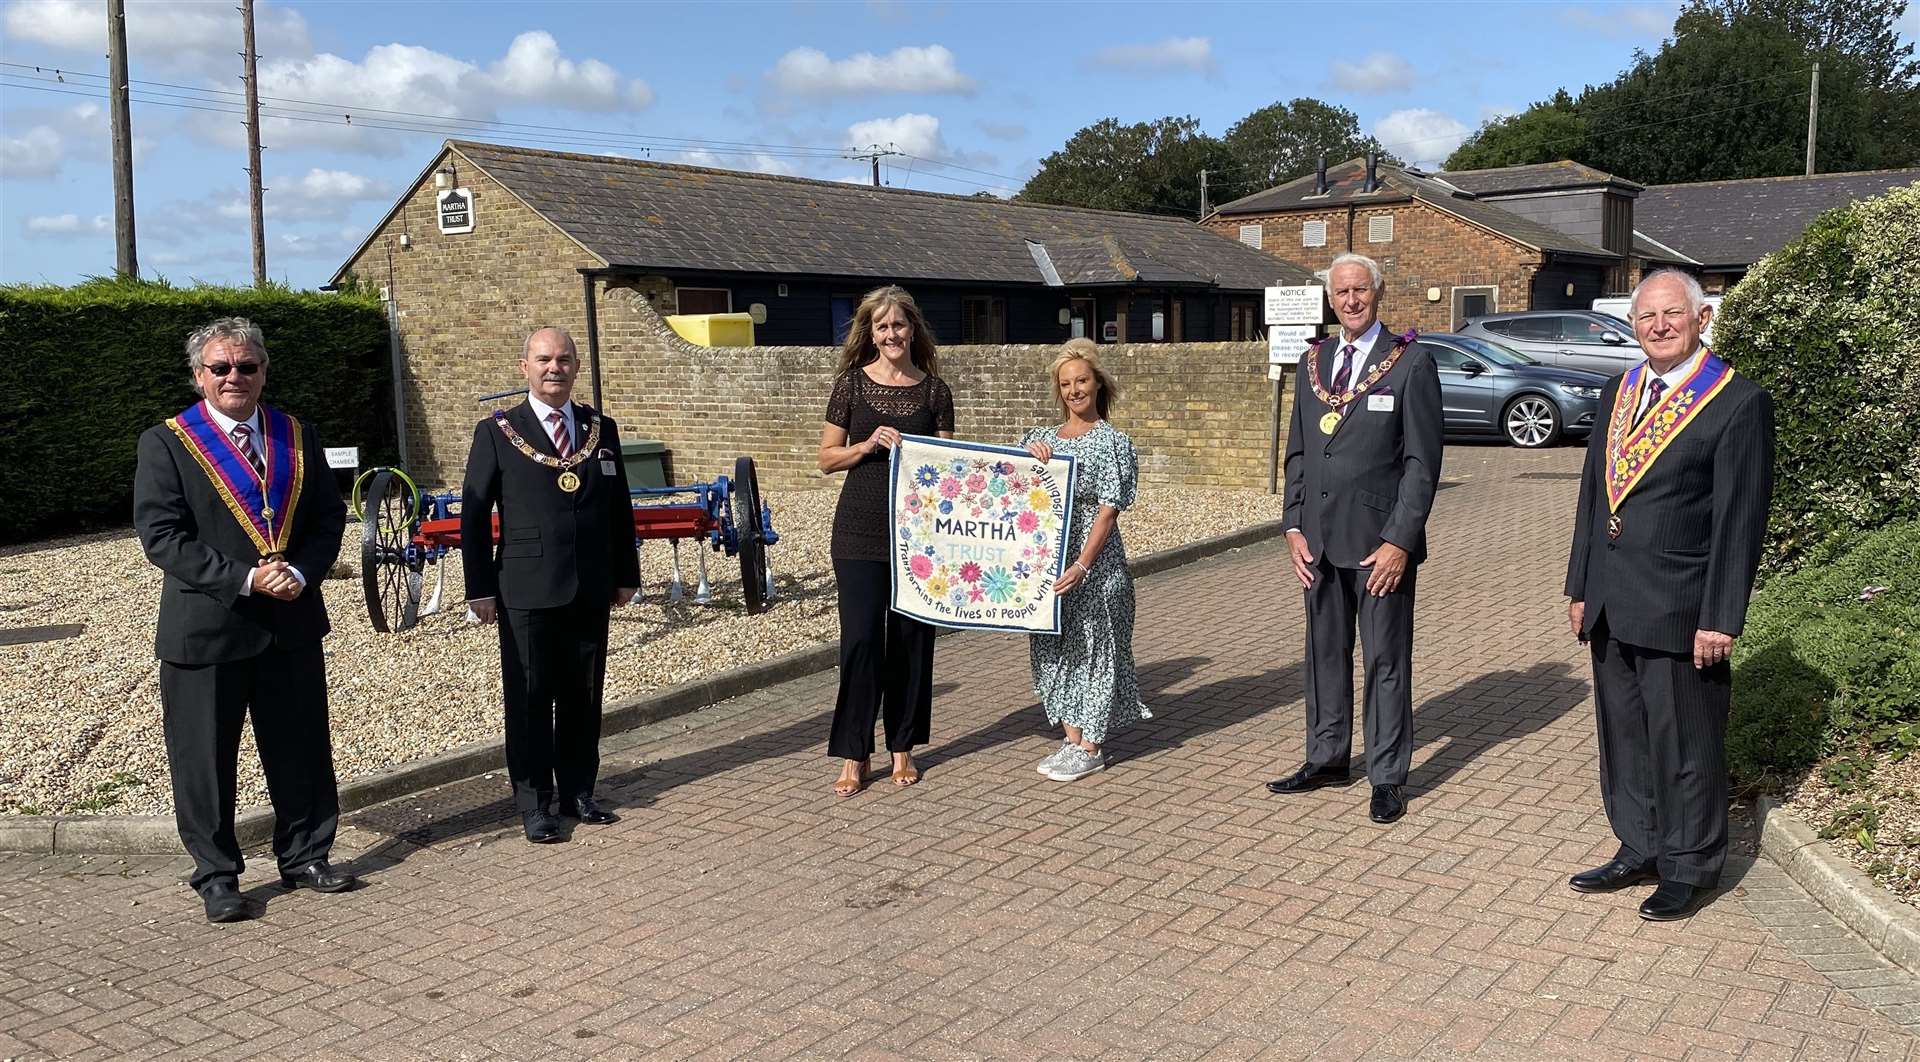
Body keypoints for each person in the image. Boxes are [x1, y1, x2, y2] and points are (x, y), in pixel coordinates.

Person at [1565, 269, 1773, 921]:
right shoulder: (1619, 390)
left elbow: (1739, 521)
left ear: (1701, 317)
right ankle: (1641, 844)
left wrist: (1720, 617)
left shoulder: (1737, 402)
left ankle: (1691, 864)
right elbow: (1592, 499)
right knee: (1625, 736)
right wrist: (1579, 583)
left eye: (1671, 314)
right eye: (1646, 316)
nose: (1658, 326)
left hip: (1683, 608)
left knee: (1686, 742)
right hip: (1611, 599)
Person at [133, 317, 352, 923]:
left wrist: (303, 573)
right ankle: (217, 874)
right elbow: (162, 537)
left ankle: (307, 854)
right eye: (221, 368)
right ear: (199, 376)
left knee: (302, 747)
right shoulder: (168, 442)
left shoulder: (296, 435)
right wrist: (247, 577)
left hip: (291, 621)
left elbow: (327, 520)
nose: (235, 377)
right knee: (204, 758)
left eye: (247, 367)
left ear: (263, 371)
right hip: (208, 627)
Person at [1267, 252, 1443, 825]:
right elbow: (1297, 451)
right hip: (1317, 539)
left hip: (1379, 544)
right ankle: (1327, 757)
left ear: (1379, 292)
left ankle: (1388, 774)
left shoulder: (1410, 363)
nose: (1350, 300)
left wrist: (1400, 540)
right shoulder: (1314, 359)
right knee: (1323, 654)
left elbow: (1421, 465)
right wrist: (1292, 523)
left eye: (1360, 291)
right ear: (1330, 297)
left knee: (1386, 660)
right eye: (1340, 292)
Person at [462, 327, 640, 844]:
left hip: (590, 584)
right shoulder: (497, 431)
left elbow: (618, 506)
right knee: (532, 698)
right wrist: (479, 589)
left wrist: (625, 572)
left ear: (576, 367)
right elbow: (475, 515)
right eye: (543, 360)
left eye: (563, 359)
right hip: (527, 586)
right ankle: (535, 803)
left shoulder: (599, 428)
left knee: (584, 694)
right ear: (525, 367)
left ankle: (580, 791)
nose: (554, 368)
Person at [818, 285, 955, 796]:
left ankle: (903, 748)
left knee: (911, 644)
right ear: (869, 333)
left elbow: (950, 471)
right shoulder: (851, 386)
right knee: (860, 642)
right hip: (858, 530)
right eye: (882, 326)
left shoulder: (935, 392)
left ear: (913, 329)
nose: (892, 334)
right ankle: (854, 752)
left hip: (918, 536)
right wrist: (867, 443)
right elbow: (827, 458)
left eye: (899, 325)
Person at [1021, 339, 1147, 782]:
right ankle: (1072, 738)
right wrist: (1031, 458)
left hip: (1097, 567)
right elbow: (1008, 484)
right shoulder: (1041, 440)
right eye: (1066, 383)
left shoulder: (1113, 443)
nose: (1075, 390)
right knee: (1055, 649)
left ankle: (1092, 745)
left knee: (1096, 651)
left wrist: (1082, 565)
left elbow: (1107, 511)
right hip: (1047, 567)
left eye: (1082, 381)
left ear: (1098, 384)